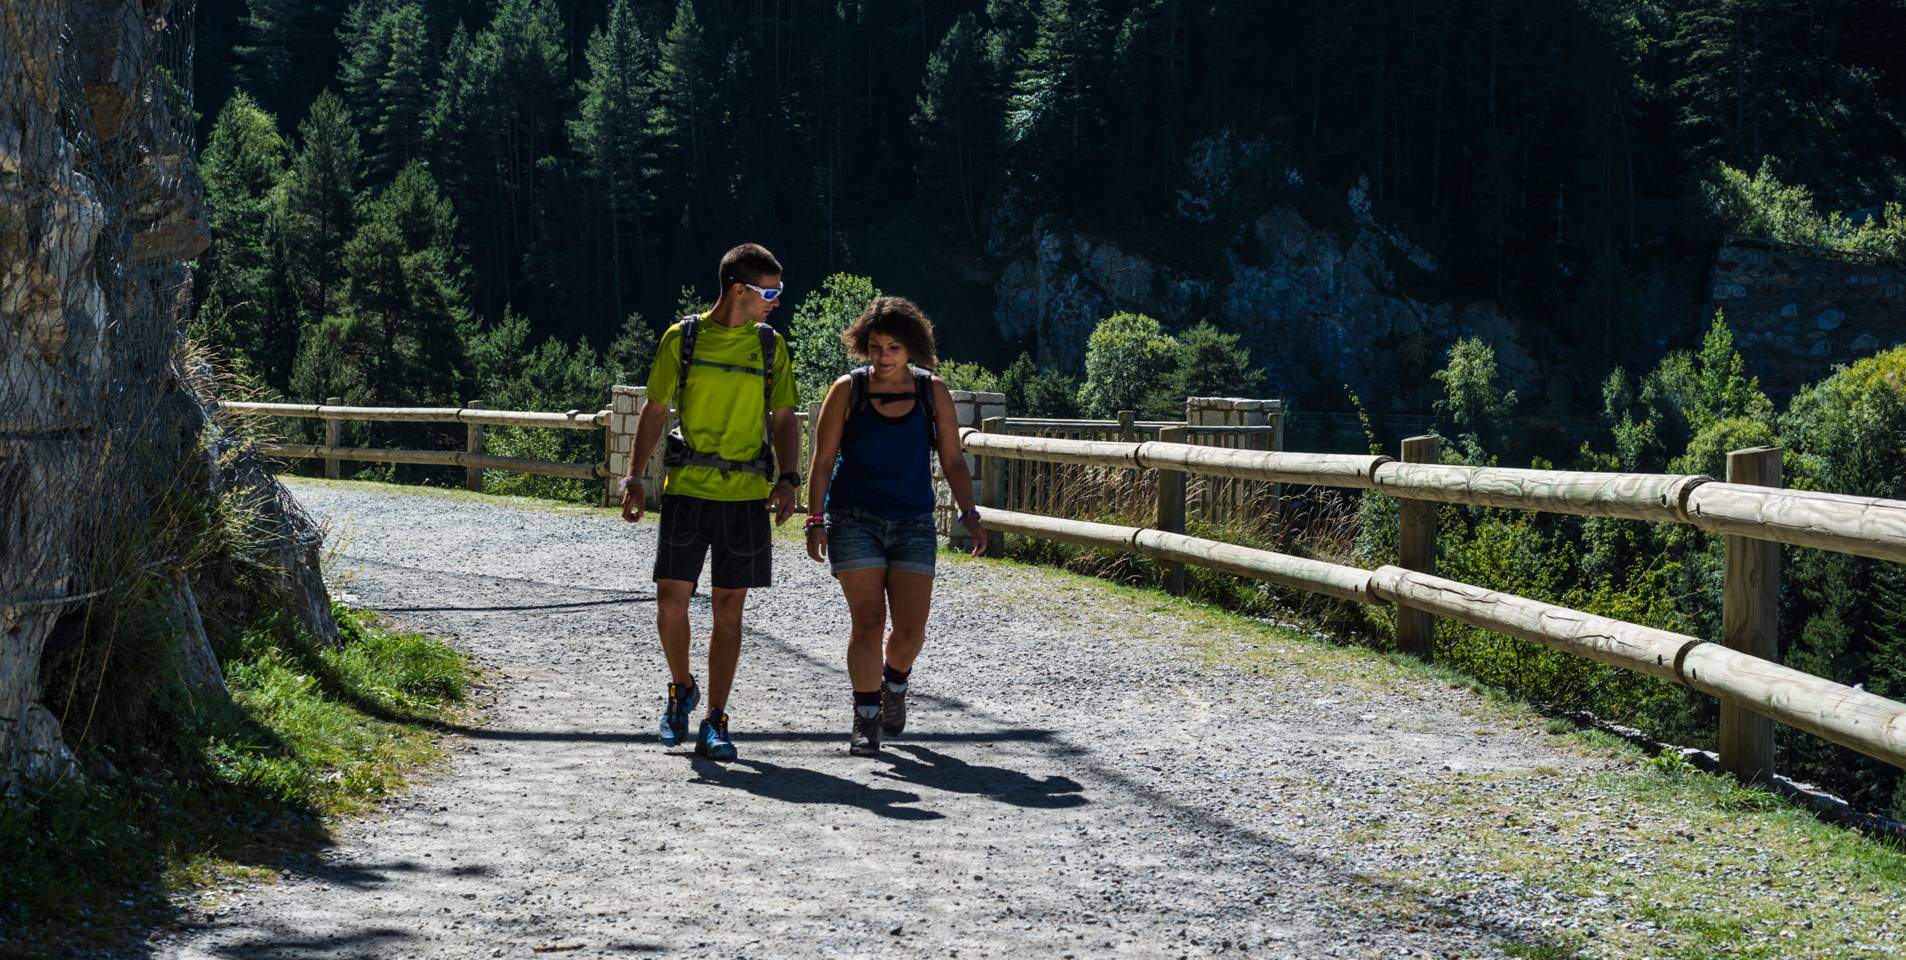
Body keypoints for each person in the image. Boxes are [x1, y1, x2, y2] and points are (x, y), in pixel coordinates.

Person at [621, 243, 801, 761]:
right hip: (687, 493)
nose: (776, 302)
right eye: (770, 292)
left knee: (728, 609)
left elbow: (785, 417)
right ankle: (681, 687)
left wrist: (788, 478)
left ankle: (715, 720)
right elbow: (655, 411)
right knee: (670, 602)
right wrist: (634, 475)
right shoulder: (684, 337)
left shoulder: (770, 346)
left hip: (745, 498)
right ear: (739, 290)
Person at [803, 296, 987, 756]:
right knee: (867, 622)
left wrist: (969, 513)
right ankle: (866, 718)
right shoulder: (847, 390)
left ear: (912, 350)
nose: (883, 357)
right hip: (854, 518)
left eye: (894, 348)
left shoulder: (932, 392)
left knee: (911, 630)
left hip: (912, 522)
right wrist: (815, 518)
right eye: (876, 346)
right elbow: (823, 460)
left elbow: (952, 461)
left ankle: (894, 684)